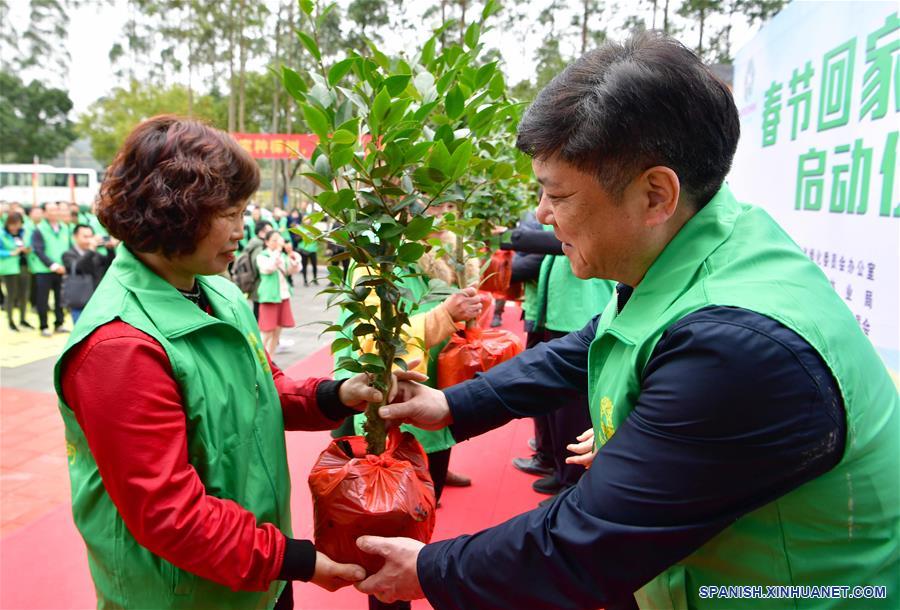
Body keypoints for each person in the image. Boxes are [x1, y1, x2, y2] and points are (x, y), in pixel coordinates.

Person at [352, 32, 899, 610]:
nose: (540, 215)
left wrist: (431, 569)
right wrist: (452, 405)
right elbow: (593, 342)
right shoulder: (700, 246)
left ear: (656, 195)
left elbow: (585, 543)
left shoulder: (738, 346)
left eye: (556, 194)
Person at [54, 115, 427, 609]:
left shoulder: (219, 293)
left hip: (255, 571)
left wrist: (336, 395)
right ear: (176, 213)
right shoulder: (119, 348)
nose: (241, 229)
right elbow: (170, 514)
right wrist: (297, 561)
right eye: (230, 214)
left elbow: (261, 386)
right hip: (182, 593)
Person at [30, 201, 71, 336]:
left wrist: (66, 265)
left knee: (61, 298)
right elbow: (38, 250)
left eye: (56, 210)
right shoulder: (39, 229)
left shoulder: (65, 228)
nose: (55, 213)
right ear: (45, 213)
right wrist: (53, 265)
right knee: (43, 299)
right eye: (51, 210)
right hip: (44, 270)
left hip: (62, 269)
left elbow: (69, 247)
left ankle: (59, 323)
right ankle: (43, 326)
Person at [60, 224, 117, 323]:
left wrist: (110, 249)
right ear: (75, 237)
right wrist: (91, 250)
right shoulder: (68, 254)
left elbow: (109, 266)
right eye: (85, 237)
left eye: (91, 236)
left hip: (97, 299)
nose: (89, 240)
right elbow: (79, 266)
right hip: (80, 301)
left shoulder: (95, 254)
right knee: (80, 333)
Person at [256, 230, 300, 355]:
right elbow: (268, 268)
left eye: (279, 239)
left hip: (283, 296)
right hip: (269, 297)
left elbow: (293, 269)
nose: (277, 242)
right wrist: (278, 251)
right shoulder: (262, 256)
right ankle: (260, 359)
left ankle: (271, 359)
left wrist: (290, 253)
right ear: (267, 242)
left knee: (277, 330)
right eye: (274, 240)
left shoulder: (282, 255)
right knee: (266, 331)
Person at [0, 212, 33, 330]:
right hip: (9, 269)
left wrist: (28, 249)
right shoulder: (2, 234)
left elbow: (31, 245)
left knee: (24, 295)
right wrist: (11, 253)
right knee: (11, 296)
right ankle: (10, 322)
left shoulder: (24, 233)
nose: (14, 227)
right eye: (12, 224)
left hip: (24, 266)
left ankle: (23, 319)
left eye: (17, 224)